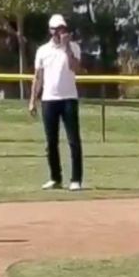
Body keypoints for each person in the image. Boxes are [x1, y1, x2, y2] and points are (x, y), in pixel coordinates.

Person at [29, 13, 83, 192]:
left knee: (73, 140)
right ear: (51, 31)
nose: (61, 32)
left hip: (69, 98)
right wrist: (32, 101)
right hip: (49, 99)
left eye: (63, 29)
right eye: (57, 29)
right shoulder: (42, 51)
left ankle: (76, 179)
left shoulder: (73, 47)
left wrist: (67, 47)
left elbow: (74, 68)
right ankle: (55, 178)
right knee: (51, 142)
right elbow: (38, 78)